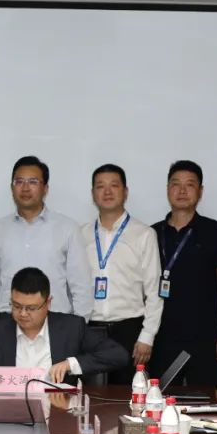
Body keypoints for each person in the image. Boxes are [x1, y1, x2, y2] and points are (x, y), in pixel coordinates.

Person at [0, 267, 128, 385]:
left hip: (59, 415)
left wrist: (70, 364)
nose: (22, 313)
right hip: (10, 414)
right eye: (16, 306)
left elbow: (118, 355)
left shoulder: (71, 327)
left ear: (48, 303)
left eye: (31, 308)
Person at [0, 155, 93, 332]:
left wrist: (77, 331)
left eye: (33, 182)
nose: (25, 188)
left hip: (55, 323)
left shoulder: (67, 228)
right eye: (19, 181)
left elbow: (81, 285)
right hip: (7, 323)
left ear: (45, 188)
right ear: (12, 188)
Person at [149, 160, 217, 388]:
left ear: (200, 191)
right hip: (162, 336)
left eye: (190, 185)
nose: (182, 191)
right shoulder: (152, 233)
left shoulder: (215, 231)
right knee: (160, 399)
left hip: (204, 336)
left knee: (205, 400)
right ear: (168, 189)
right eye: (176, 184)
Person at [80, 164, 163, 385]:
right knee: (91, 397)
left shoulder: (144, 234)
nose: (107, 192)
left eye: (114, 186)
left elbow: (154, 291)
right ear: (93, 194)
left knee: (126, 397)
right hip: (90, 330)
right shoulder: (81, 235)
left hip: (129, 332)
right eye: (100, 186)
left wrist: (147, 336)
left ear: (125, 192)